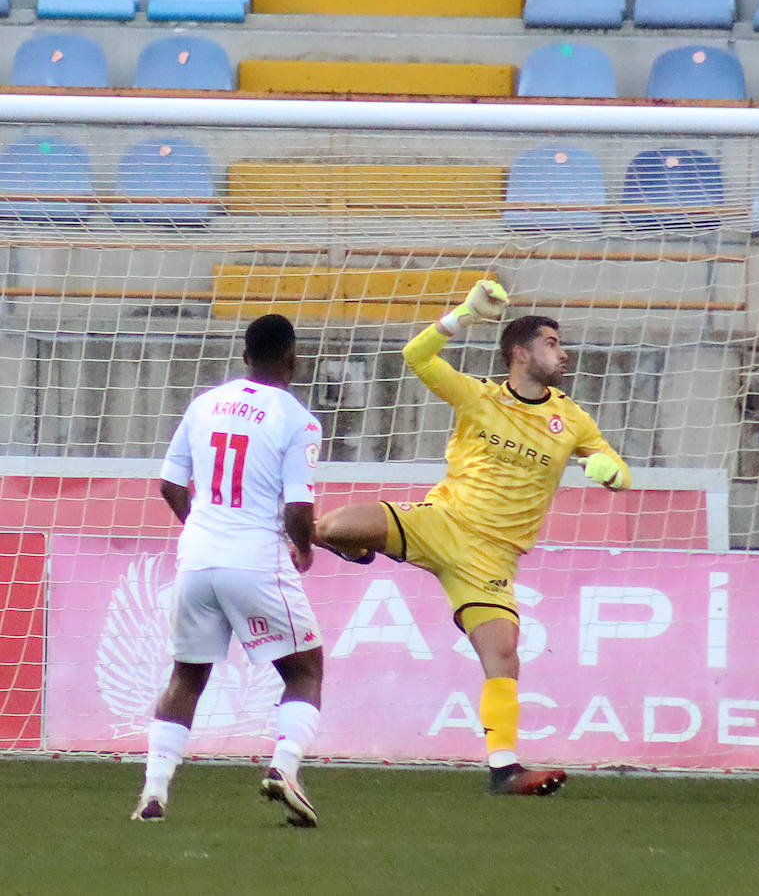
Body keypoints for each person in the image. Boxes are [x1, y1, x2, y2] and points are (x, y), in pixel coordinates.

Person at [314, 281, 631, 796]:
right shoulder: (478, 395)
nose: (563, 351)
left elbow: (620, 470)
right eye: (552, 342)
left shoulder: (570, 418)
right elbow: (416, 356)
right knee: (331, 527)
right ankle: (349, 546)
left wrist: (609, 470)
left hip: (492, 556)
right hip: (443, 522)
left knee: (503, 652)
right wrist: (464, 314)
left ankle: (504, 770)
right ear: (521, 353)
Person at [133, 314, 325, 827]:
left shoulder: (204, 405)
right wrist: (302, 549)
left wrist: (201, 524)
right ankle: (284, 767)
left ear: (244, 357)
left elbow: (170, 485)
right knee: (305, 670)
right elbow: (297, 510)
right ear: (293, 358)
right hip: (255, 558)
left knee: (186, 676)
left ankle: (154, 792)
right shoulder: (299, 419)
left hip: (195, 556)